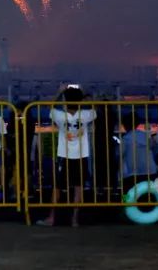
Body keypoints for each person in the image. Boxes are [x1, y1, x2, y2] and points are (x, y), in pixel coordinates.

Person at [39, 86, 96, 227]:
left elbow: (51, 106)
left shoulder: (59, 116)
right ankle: (75, 219)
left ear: (65, 100)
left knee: (57, 187)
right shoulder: (86, 115)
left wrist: (59, 92)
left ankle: (51, 218)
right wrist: (85, 98)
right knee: (78, 188)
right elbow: (94, 108)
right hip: (82, 155)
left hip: (63, 155)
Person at [118, 112, 158, 190]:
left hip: (132, 175)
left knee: (127, 197)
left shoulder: (125, 139)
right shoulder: (147, 136)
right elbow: (155, 149)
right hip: (151, 172)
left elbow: (119, 154)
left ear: (125, 125)